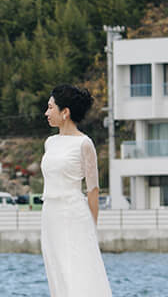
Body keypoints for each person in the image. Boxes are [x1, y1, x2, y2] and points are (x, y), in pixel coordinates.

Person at [41, 84, 112, 297]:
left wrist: (92, 228)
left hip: (74, 215)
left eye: (51, 107)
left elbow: (93, 190)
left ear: (65, 112)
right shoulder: (50, 142)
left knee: (77, 271)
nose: (46, 112)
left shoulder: (84, 144)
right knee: (57, 270)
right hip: (50, 214)